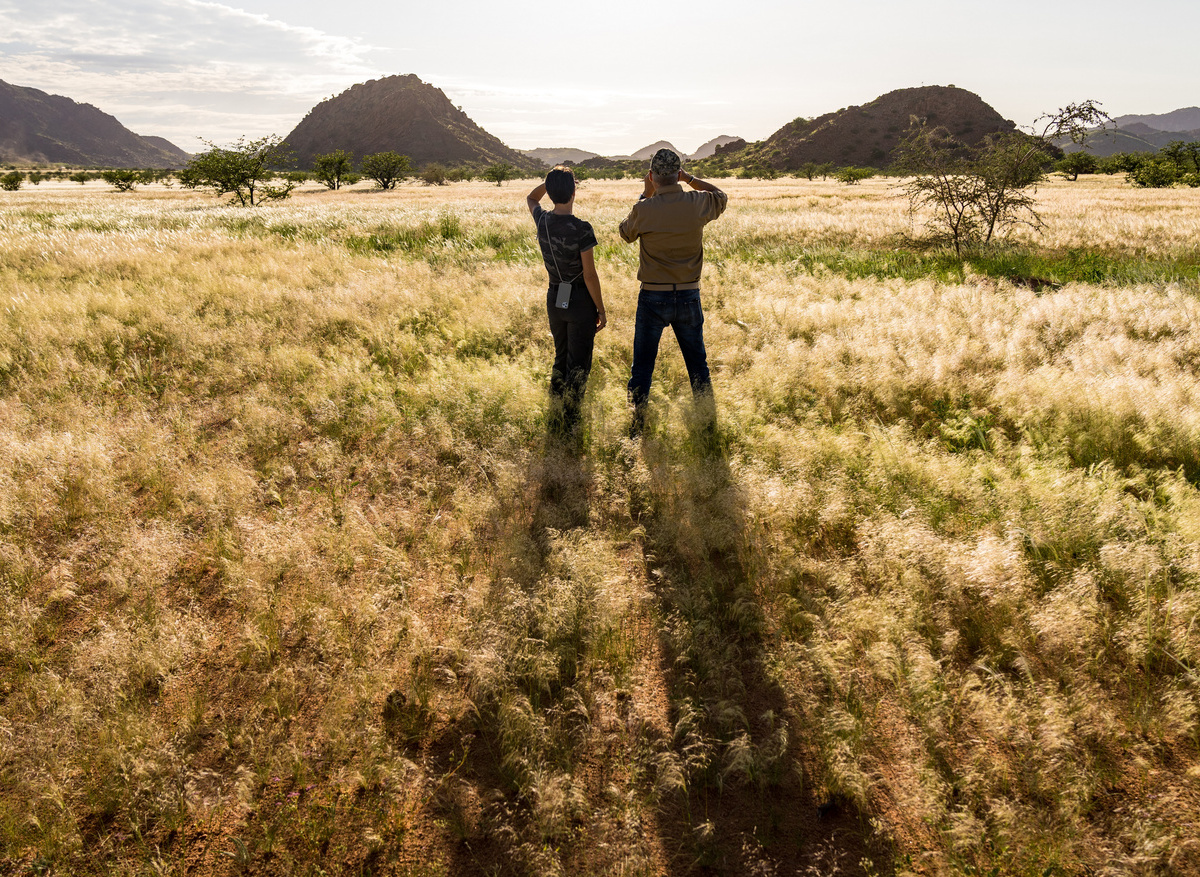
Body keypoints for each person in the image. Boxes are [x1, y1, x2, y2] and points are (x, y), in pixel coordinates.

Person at [618, 148, 727, 432]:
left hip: (653, 296)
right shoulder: (697, 202)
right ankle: (707, 425)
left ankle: (637, 425)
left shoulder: (645, 209)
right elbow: (721, 197)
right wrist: (691, 179)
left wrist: (646, 193)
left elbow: (625, 233)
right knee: (697, 365)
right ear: (678, 174)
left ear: (652, 176)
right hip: (689, 295)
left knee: (642, 366)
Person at [526, 166, 607, 439]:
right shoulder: (582, 228)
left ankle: (556, 413)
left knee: (560, 358)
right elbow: (590, 274)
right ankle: (571, 423)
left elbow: (531, 199)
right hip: (581, 302)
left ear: (551, 192)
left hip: (554, 298)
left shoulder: (543, 221)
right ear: (574, 192)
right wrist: (601, 310)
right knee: (579, 364)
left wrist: (549, 183)